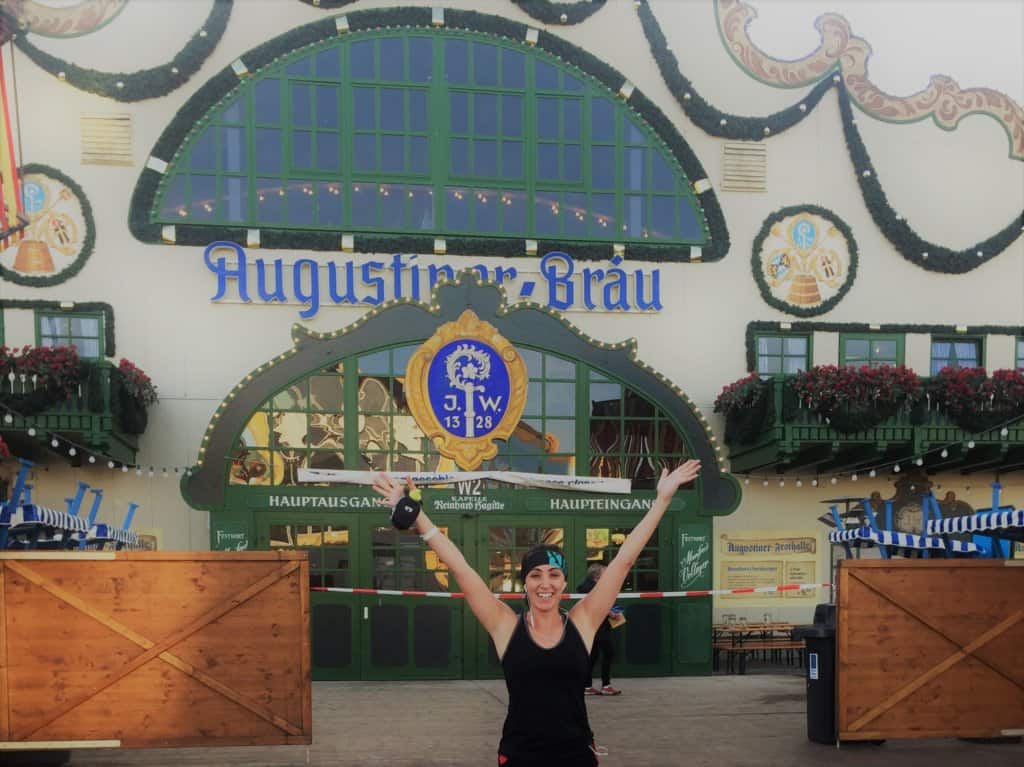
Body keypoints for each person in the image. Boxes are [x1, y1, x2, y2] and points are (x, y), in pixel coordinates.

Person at [373, 459, 701, 767]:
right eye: (536, 575)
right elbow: (460, 568)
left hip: (575, 754)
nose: (545, 583)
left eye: (553, 574)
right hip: (520, 755)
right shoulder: (505, 626)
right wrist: (419, 517)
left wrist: (661, 501)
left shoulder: (583, 622)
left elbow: (624, 561)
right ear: (525, 583)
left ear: (564, 582)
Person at [576, 563, 619, 696]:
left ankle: (587, 686)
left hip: (592, 626)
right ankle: (606, 685)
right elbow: (597, 605)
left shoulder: (587, 587)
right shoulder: (594, 588)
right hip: (598, 626)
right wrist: (610, 613)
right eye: (604, 573)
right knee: (608, 653)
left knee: (593, 656)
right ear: (597, 576)